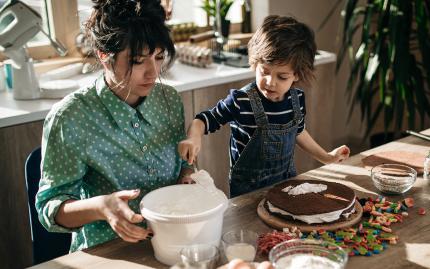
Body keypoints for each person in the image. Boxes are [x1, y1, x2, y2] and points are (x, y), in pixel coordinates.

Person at [36, 0, 193, 252]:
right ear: (104, 56)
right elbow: (50, 208)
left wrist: (187, 175)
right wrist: (101, 207)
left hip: (171, 238)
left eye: (159, 56)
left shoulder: (168, 100)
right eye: (138, 60)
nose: (153, 72)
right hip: (108, 250)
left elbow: (183, 163)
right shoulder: (71, 117)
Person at [178, 15, 350, 197]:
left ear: (297, 75)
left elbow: (298, 131)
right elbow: (203, 120)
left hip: (286, 183)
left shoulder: (296, 99)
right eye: (264, 71)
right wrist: (193, 138)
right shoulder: (241, 100)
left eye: (282, 77)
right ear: (255, 63)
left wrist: (326, 157)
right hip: (247, 191)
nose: (270, 82)